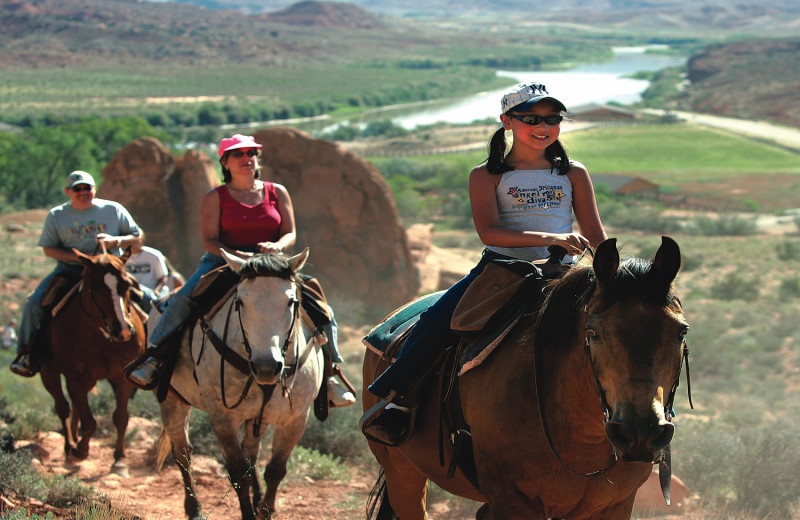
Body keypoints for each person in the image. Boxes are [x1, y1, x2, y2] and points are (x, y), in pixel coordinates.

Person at [362, 82, 608, 444]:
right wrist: (550, 238)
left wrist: (615, 276)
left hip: (565, 273)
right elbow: (490, 233)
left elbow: (595, 235)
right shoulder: (487, 174)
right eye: (530, 118)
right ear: (506, 121)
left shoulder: (573, 172)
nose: (543, 127)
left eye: (551, 118)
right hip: (503, 270)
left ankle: (652, 418)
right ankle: (398, 402)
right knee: (437, 321)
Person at [127, 134, 356, 407]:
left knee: (321, 308)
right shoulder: (216, 197)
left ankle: (331, 374)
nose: (246, 158)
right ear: (224, 162)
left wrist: (276, 245)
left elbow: (289, 233)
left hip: (272, 264)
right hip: (224, 260)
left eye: (251, 153)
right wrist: (240, 256)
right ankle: (155, 358)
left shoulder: (276, 191)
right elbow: (210, 241)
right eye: (238, 154)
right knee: (183, 299)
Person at [10, 170, 143, 377]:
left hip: (110, 271)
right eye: (77, 189)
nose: (83, 192)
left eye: (87, 188)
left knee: (150, 300)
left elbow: (137, 237)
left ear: (94, 189)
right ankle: (26, 354)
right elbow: (49, 249)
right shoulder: (57, 215)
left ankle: (155, 355)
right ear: (68, 192)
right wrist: (81, 258)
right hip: (70, 270)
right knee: (33, 304)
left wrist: (114, 241)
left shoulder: (113, 209)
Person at [126, 242, 171, 312]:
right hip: (132, 293)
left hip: (151, 292)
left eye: (134, 241)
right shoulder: (122, 257)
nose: (132, 245)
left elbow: (163, 277)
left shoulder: (154, 255)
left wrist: (157, 290)